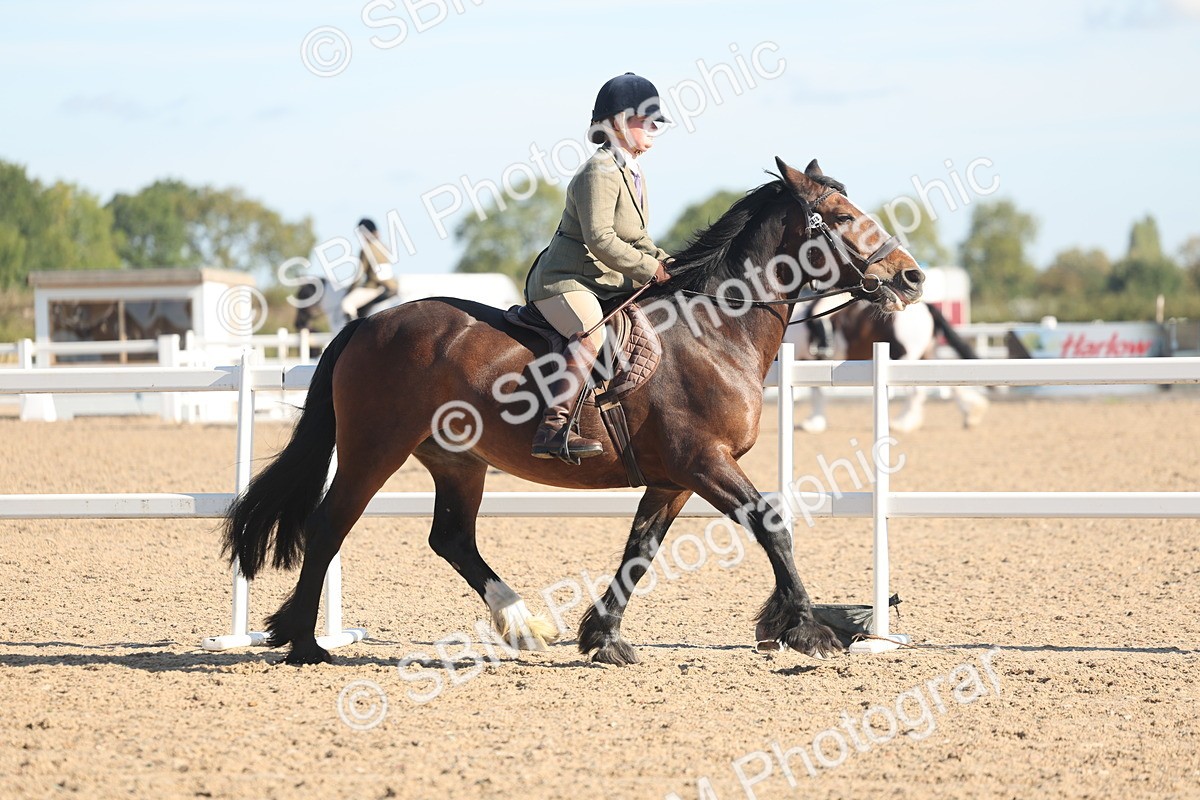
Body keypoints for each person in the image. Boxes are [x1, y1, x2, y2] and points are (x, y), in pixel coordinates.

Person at [524, 72, 673, 461]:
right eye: (646, 119)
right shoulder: (600, 170)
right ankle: (553, 427)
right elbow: (601, 239)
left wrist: (666, 261)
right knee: (591, 334)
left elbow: (636, 237)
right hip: (566, 282)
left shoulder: (633, 172)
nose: (654, 127)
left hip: (601, 282)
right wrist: (648, 269)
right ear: (620, 122)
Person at [343, 218, 398, 319]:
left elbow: (359, 275)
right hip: (391, 286)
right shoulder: (384, 247)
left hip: (374, 288)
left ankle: (354, 328)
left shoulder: (366, 249)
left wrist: (350, 290)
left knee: (347, 304)